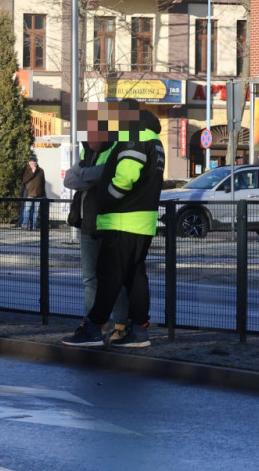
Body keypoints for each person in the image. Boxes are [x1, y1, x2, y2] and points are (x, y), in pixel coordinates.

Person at [63, 101, 164, 348]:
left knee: (108, 278)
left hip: (122, 220)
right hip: (142, 221)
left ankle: (94, 329)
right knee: (134, 277)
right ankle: (139, 331)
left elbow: (127, 174)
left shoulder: (135, 136)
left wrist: (108, 197)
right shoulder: (154, 139)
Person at [64, 103, 126, 338]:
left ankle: (120, 324)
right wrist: (86, 175)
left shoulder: (114, 150)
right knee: (90, 278)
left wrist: (84, 175)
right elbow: (70, 180)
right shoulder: (86, 152)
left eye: (94, 132)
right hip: (87, 224)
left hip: (110, 224)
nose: (89, 137)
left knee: (114, 279)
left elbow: (100, 175)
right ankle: (93, 324)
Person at [19, 155, 47, 229]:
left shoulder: (41, 171)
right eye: (32, 163)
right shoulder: (26, 170)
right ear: (29, 163)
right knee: (27, 209)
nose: (33, 164)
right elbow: (24, 180)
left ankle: (34, 225)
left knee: (36, 211)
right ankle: (25, 225)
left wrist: (43, 194)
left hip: (38, 194)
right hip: (29, 194)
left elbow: (43, 183)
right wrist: (32, 172)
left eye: (34, 163)